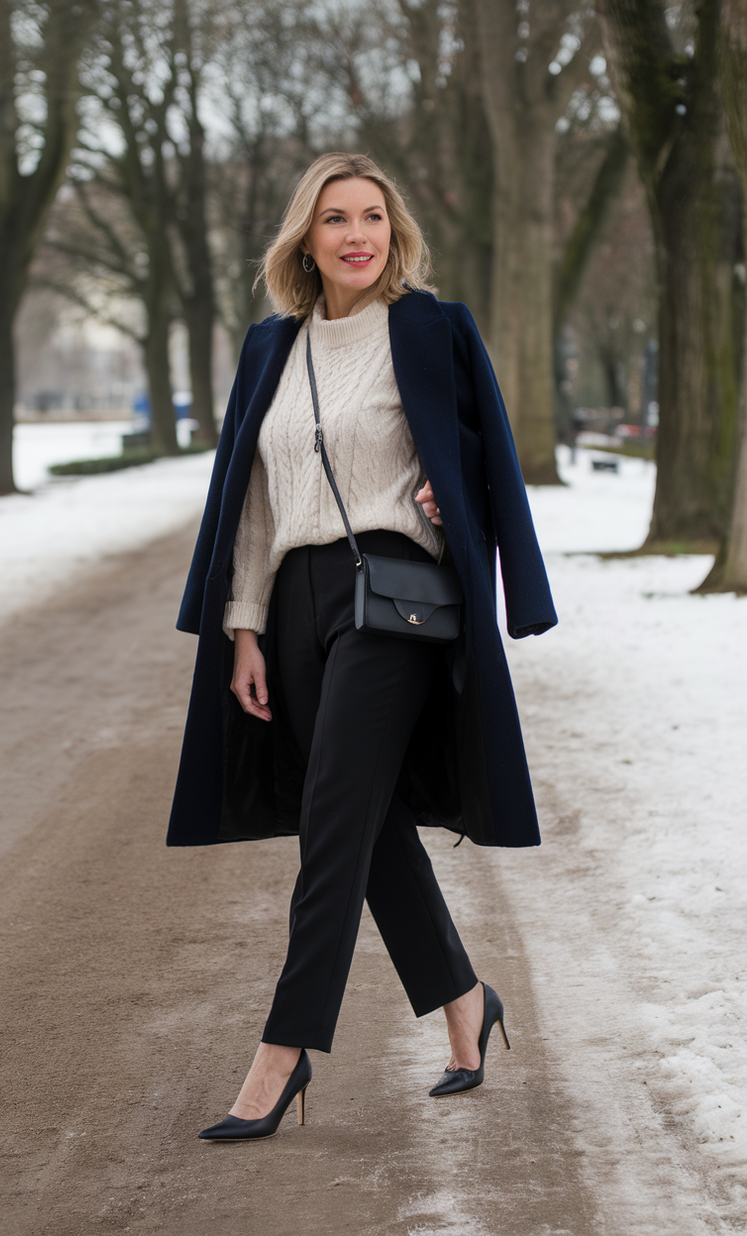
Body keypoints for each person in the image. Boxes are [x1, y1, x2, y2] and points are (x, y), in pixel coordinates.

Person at [167, 152, 557, 1142]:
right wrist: (242, 627)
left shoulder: (427, 328)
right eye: (334, 218)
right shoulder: (271, 348)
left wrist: (448, 490)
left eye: (371, 217)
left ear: (393, 232)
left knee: (331, 823)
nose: (355, 235)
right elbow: (249, 503)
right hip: (293, 601)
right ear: (303, 235)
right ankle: (464, 1000)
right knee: (359, 815)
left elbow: (484, 456)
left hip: (391, 592)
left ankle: (283, 1051)